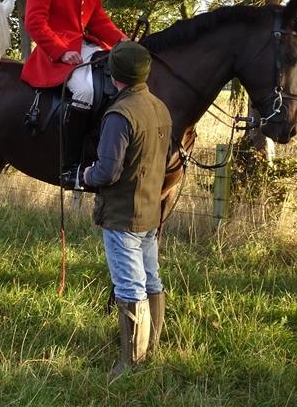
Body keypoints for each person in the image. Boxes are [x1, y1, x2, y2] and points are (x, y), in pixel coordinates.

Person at [81, 41, 171, 378]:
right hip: (149, 210)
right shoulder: (160, 107)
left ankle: (129, 365)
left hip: (122, 214)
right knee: (151, 278)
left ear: (114, 73)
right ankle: (151, 349)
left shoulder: (120, 114)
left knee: (129, 287)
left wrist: (86, 175)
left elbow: (107, 172)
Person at [19, 0, 127, 188]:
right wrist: (60, 51)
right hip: (54, 53)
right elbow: (34, 22)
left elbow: (98, 20)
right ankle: (70, 167)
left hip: (85, 46)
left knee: (116, 80)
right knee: (86, 91)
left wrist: (123, 42)